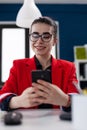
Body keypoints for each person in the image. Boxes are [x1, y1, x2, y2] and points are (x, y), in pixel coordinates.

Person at [0, 16, 79, 111]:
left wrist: (65, 100)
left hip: (59, 123)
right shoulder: (18, 66)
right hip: (27, 124)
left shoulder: (68, 67)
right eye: (35, 35)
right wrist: (19, 101)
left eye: (46, 36)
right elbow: (2, 97)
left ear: (54, 41)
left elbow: (79, 101)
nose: (39, 41)